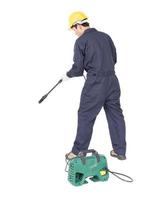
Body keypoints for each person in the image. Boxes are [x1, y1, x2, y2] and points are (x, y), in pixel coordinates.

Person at [62, 11, 126, 160]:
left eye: (73, 29)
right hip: (112, 81)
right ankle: (120, 151)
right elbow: (114, 58)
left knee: (85, 115)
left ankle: (78, 151)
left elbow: (78, 69)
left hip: (95, 84)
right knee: (115, 114)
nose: (74, 33)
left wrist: (67, 75)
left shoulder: (81, 41)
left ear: (78, 26)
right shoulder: (106, 36)